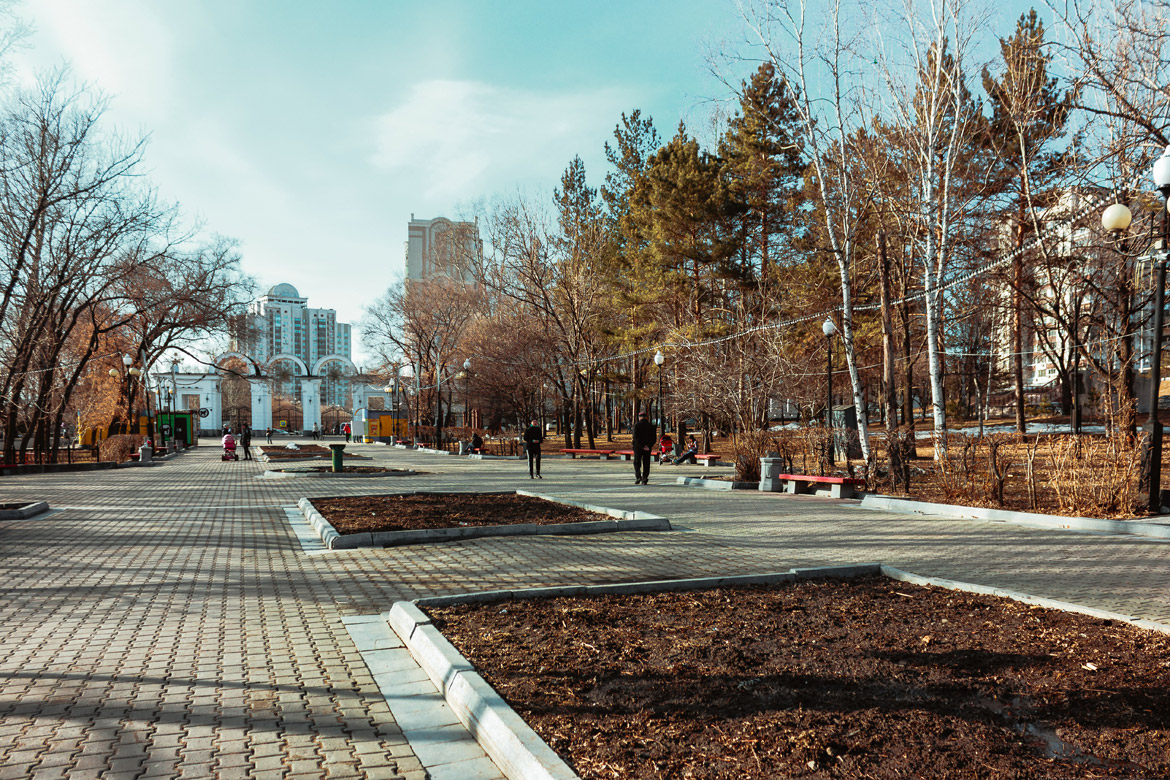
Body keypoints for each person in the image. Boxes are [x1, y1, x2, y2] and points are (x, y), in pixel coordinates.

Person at [632, 411, 656, 485]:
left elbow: (635, 437)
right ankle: (645, 478)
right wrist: (648, 446)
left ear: (639, 417)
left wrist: (642, 446)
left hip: (638, 448)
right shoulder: (651, 426)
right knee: (646, 463)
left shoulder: (636, 425)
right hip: (647, 448)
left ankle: (638, 476)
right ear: (646, 417)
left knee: (637, 462)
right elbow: (654, 438)